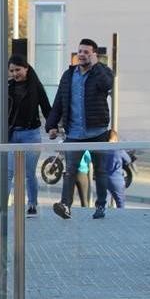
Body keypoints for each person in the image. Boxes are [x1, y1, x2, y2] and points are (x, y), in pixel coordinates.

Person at [45, 38, 115, 220]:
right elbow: (59, 101)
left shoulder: (103, 72)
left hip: (97, 132)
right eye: (80, 51)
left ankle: (100, 206)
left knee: (100, 171)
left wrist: (97, 66)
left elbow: (107, 85)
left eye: (86, 52)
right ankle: (65, 206)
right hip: (74, 133)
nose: (82, 55)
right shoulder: (68, 76)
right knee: (70, 171)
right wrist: (51, 125)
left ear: (94, 55)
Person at [6, 54, 52, 215]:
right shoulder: (8, 87)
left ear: (26, 68)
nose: (14, 73)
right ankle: (4, 205)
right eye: (11, 71)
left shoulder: (35, 87)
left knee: (28, 173)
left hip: (31, 134)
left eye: (17, 70)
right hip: (11, 135)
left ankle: (32, 204)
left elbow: (47, 108)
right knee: (9, 172)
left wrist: (51, 127)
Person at [105, 130, 134, 209]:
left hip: (103, 178)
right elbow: (128, 160)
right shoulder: (119, 150)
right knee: (120, 202)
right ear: (115, 139)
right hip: (116, 179)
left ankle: (102, 217)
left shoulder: (102, 150)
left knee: (103, 201)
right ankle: (120, 218)